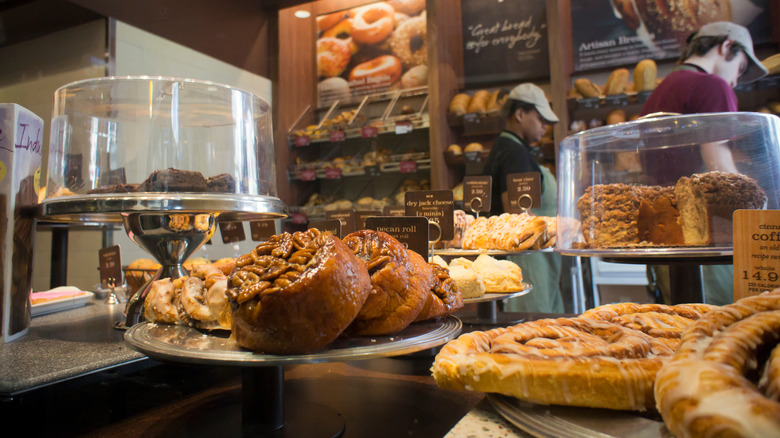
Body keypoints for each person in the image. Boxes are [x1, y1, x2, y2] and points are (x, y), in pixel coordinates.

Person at [640, 21, 768, 306]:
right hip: (709, 235)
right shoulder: (712, 85)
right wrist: (759, 218)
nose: (736, 80)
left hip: (667, 237)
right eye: (741, 68)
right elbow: (720, 170)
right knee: (725, 331)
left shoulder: (659, 91)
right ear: (725, 47)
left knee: (682, 329)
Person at [482, 83, 564, 313]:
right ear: (520, 114)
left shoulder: (508, 147)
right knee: (533, 330)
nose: (545, 127)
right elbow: (517, 218)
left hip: (530, 260)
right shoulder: (514, 153)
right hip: (526, 261)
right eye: (541, 120)